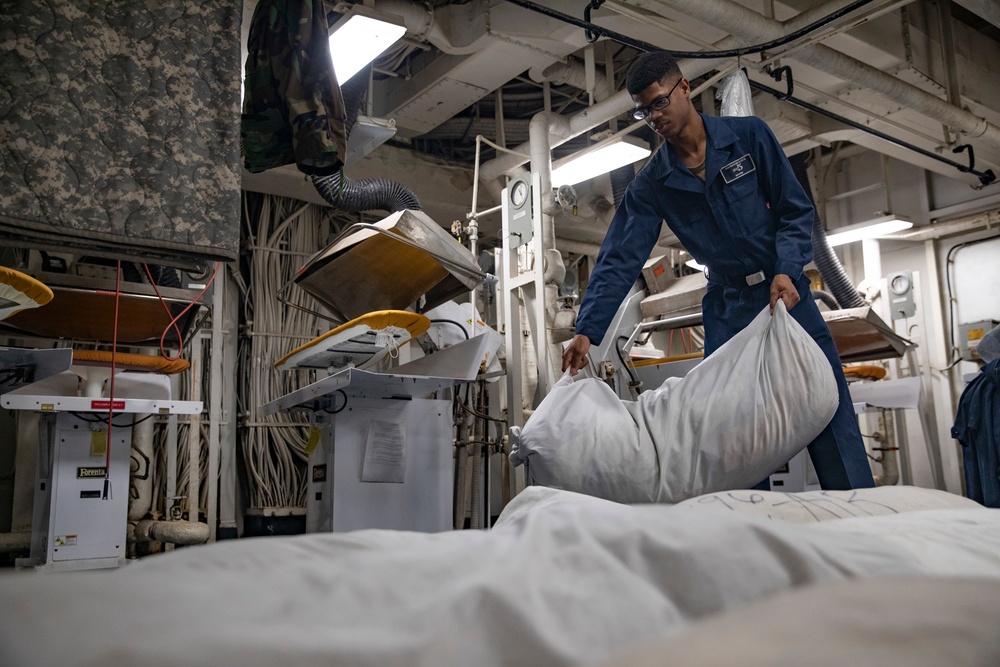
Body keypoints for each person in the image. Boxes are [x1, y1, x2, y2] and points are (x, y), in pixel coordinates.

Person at [561, 51, 874, 491]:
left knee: (826, 410)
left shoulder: (749, 137)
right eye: (642, 110)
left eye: (658, 102)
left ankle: (857, 521)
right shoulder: (654, 182)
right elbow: (620, 255)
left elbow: (794, 210)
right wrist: (588, 329)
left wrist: (786, 269)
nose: (652, 116)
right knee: (734, 435)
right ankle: (745, 535)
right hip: (728, 308)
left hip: (786, 297)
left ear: (684, 88)